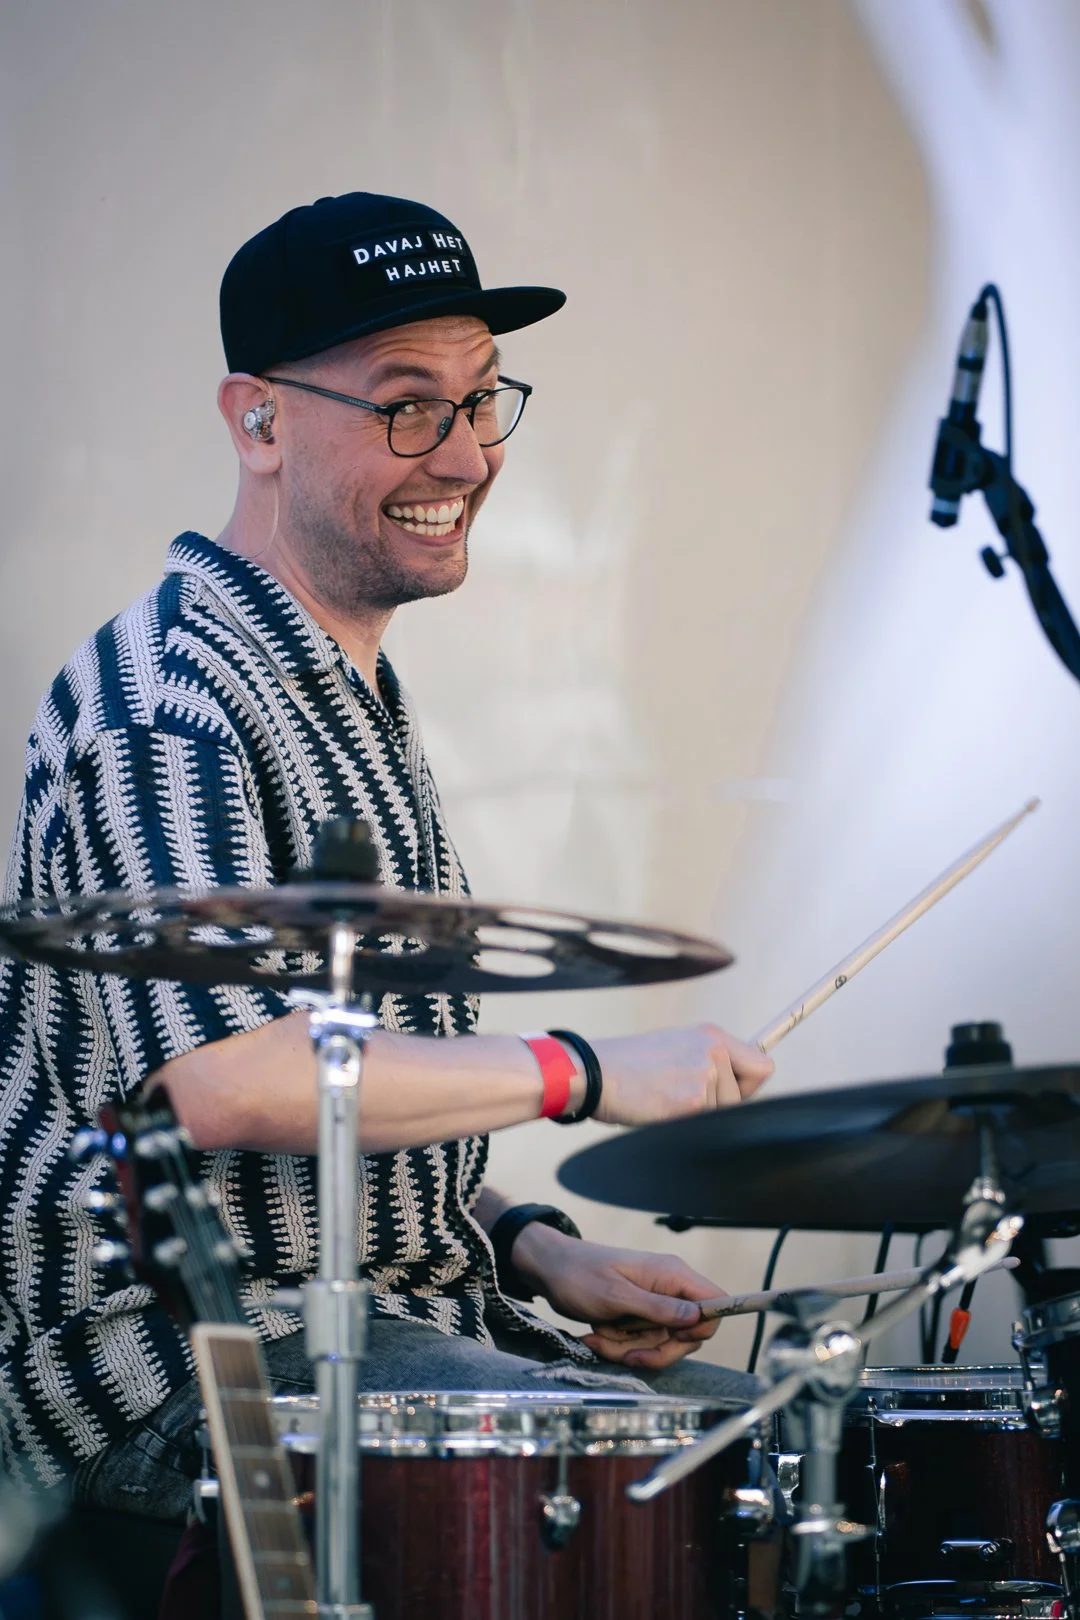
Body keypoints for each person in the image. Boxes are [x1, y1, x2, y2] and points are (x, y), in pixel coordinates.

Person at [0, 191, 772, 1521]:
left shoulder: (344, 692)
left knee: (778, 1444)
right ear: (259, 420)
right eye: (410, 405)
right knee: (658, 1492)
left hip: (392, 1322)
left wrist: (529, 1249)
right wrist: (580, 1074)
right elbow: (232, 1084)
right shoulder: (166, 705)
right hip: (193, 1366)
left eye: (481, 402)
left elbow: (346, 1139)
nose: (467, 459)